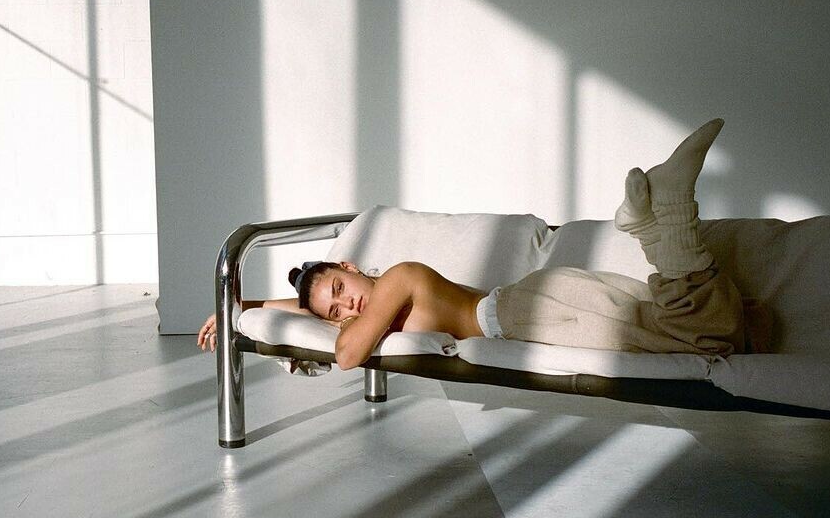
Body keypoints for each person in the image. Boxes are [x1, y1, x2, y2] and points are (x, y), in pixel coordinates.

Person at [198, 118, 754, 369]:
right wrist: (240, 306)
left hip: (525, 315)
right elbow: (317, 311)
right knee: (691, 328)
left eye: (341, 289)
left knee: (699, 340)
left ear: (351, 264)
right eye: (336, 311)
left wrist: (333, 320)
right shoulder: (380, 301)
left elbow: (347, 354)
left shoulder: (398, 279)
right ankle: (656, 228)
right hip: (539, 305)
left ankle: (671, 213)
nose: (347, 307)